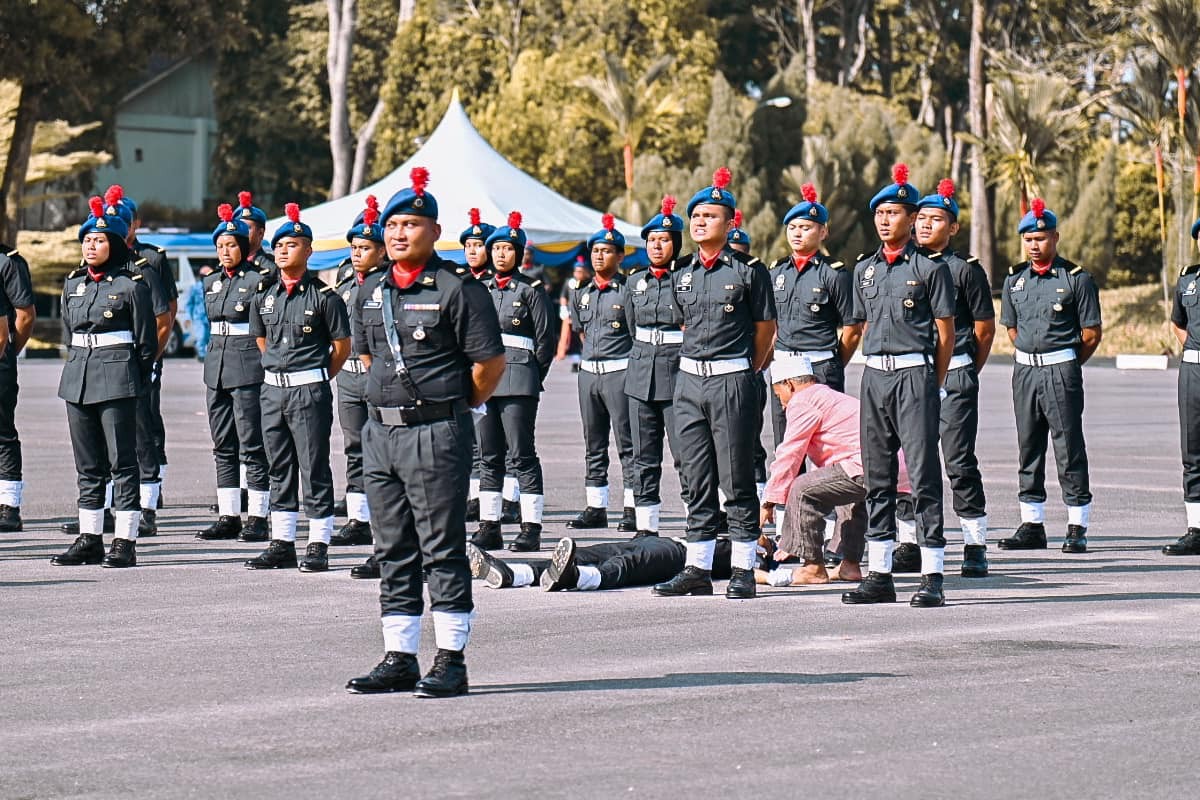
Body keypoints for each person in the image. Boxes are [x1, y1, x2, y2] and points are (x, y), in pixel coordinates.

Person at [344, 167, 505, 697]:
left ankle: (452, 658)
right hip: (380, 435)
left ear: (435, 232)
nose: (398, 234)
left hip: (436, 432)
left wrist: (452, 407)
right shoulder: (370, 290)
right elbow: (367, 354)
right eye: (393, 226)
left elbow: (489, 365)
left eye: (411, 224)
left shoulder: (459, 290)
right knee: (392, 548)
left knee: (442, 547)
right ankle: (399, 656)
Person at [651, 167, 776, 600]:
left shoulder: (748, 271)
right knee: (695, 476)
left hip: (731, 381)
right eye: (697, 216)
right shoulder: (682, 272)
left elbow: (765, 330)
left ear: (731, 222)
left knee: (736, 476)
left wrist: (744, 371)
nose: (701, 222)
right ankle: (698, 568)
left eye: (711, 215)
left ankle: (743, 566)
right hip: (688, 383)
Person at [841, 164, 955, 608]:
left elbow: (945, 332)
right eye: (881, 213)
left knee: (924, 475)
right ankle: (881, 573)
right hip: (874, 376)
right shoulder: (864, 270)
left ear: (912, 220)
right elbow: (855, 324)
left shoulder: (929, 268)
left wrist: (936, 383)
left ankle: (933, 574)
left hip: (914, 375)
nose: (886, 220)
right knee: (879, 476)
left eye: (895, 213)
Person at [895, 179, 996, 577]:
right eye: (921, 219)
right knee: (908, 463)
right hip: (911, 377)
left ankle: (974, 542)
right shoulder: (902, 265)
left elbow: (984, 330)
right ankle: (907, 541)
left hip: (954, 375)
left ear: (952, 228)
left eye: (936, 220)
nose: (925, 226)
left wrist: (965, 369)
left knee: (957, 461)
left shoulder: (965, 270)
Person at [51, 190, 157, 568]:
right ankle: (90, 537)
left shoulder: (132, 286)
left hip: (117, 378)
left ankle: (125, 540)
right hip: (78, 376)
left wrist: (132, 379)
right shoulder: (73, 284)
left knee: (122, 462)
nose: (91, 246)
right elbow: (70, 332)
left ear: (113, 243)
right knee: (88, 464)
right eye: (86, 240)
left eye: (98, 240)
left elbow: (146, 345)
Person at [244, 203, 351, 573]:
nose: (285, 251)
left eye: (293, 244)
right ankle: (283, 541)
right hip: (273, 391)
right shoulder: (264, 296)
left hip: (309, 391)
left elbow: (341, 348)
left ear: (308, 250)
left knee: (314, 466)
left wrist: (314, 376)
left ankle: (318, 543)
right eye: (280, 246)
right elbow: (262, 342)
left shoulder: (325, 298)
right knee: (279, 467)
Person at [997, 198, 1102, 555]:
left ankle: (1077, 524)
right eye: (1028, 239)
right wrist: (1032, 357)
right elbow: (1011, 328)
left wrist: (1067, 362)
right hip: (1025, 371)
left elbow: (1091, 334)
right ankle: (1032, 523)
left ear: (1055, 237)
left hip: (1061, 370)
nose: (1034, 245)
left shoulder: (1076, 279)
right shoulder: (1014, 280)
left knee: (1068, 446)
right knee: (1029, 447)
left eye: (1040, 238)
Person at [760, 356, 911, 586]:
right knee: (846, 497)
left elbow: (789, 455)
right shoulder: (826, 396)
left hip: (866, 465)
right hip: (893, 464)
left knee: (802, 489)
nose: (781, 404)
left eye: (779, 395)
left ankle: (812, 567)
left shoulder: (803, 401)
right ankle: (850, 565)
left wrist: (768, 501)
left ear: (789, 384)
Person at [470, 212, 555, 552]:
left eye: (508, 249)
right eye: (497, 249)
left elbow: (546, 342)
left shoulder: (531, 290)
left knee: (522, 455)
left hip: (520, 380)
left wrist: (533, 377)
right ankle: (489, 525)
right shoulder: (480, 290)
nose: (501, 254)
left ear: (519, 254)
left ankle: (530, 527)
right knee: (489, 455)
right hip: (485, 385)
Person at [195, 203, 272, 543]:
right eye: (220, 246)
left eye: (231, 245)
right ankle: (229, 514)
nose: (225, 252)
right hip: (217, 370)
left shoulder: (259, 280)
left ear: (243, 247)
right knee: (223, 444)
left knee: (252, 444)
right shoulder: (210, 282)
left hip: (248, 370)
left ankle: (257, 515)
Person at [565, 214, 637, 533]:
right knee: (593, 443)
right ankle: (596, 505)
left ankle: (634, 506)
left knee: (627, 444)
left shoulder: (628, 290)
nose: (599, 255)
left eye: (607, 251)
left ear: (620, 256)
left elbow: (635, 336)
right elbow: (581, 332)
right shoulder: (580, 291)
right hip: (589, 374)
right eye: (595, 250)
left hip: (619, 372)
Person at [768, 184, 857, 443]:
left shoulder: (834, 274)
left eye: (805, 227)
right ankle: (790, 486)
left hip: (820, 365)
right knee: (785, 441)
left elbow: (852, 329)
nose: (797, 233)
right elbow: (771, 323)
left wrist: (832, 363)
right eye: (793, 227)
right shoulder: (776, 272)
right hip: (784, 364)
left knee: (826, 441)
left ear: (823, 232)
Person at [624, 195, 686, 538]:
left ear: (675, 243)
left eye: (663, 240)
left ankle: (698, 520)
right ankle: (646, 528)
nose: (656, 246)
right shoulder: (634, 282)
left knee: (685, 456)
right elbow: (633, 329)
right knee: (643, 457)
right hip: (640, 378)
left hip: (677, 377)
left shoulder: (687, 278)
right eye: (651, 240)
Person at [329, 196, 388, 550]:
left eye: (365, 247)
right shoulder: (344, 275)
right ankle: (358, 517)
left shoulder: (391, 281)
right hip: (349, 376)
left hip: (380, 376)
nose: (356, 253)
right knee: (354, 446)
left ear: (381, 250)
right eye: (353, 246)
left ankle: (386, 515)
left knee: (383, 447)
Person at [123, 196, 176, 511]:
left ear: (135, 224)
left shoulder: (151, 260)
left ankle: (152, 495)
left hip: (146, 354)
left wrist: (152, 356)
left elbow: (167, 310)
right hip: (112, 358)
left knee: (146, 422)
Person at [468, 536, 733, 592]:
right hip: (662, 541)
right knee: (583, 553)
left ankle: (577, 578)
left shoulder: (756, 558)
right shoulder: (749, 538)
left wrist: (771, 569)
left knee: (626, 565)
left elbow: (757, 575)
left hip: (677, 556)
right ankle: (514, 573)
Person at [727, 209, 771, 500]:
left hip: (749, 369)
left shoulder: (754, 276)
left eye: (740, 252)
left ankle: (758, 495)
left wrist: (756, 366)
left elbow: (769, 331)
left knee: (751, 440)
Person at [458, 207, 496, 524]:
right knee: (470, 439)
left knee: (496, 442)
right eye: (468, 246)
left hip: (494, 370)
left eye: (479, 245)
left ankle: (504, 498)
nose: (473, 250)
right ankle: (473, 496)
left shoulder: (497, 284)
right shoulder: (456, 282)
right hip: (464, 369)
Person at [1166, 219, 1200, 556]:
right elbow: (1177, 323)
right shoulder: (1188, 280)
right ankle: (1197, 527)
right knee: (1193, 451)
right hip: (1193, 370)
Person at [0, 237, 35, 532]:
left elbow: (25, 315)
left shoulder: (8, 261)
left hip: (0, 353)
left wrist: (9, 350)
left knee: (2, 433)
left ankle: (9, 506)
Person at [555, 255, 587, 372]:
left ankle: (585, 359)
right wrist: (563, 308)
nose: (579, 273)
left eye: (581, 271)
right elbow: (564, 296)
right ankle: (575, 361)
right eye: (577, 271)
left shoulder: (588, 284)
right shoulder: (569, 282)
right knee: (571, 338)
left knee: (583, 338)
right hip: (570, 314)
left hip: (584, 315)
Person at [236, 191, 276, 274]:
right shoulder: (227, 266)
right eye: (239, 227)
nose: (242, 232)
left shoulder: (272, 268)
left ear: (260, 233)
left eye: (247, 228)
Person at [186, 265, 212, 360]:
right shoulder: (195, 287)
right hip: (199, 316)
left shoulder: (214, 287)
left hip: (210, 317)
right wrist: (188, 317)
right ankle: (201, 355)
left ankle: (209, 355)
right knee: (201, 336)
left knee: (211, 337)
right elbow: (189, 303)